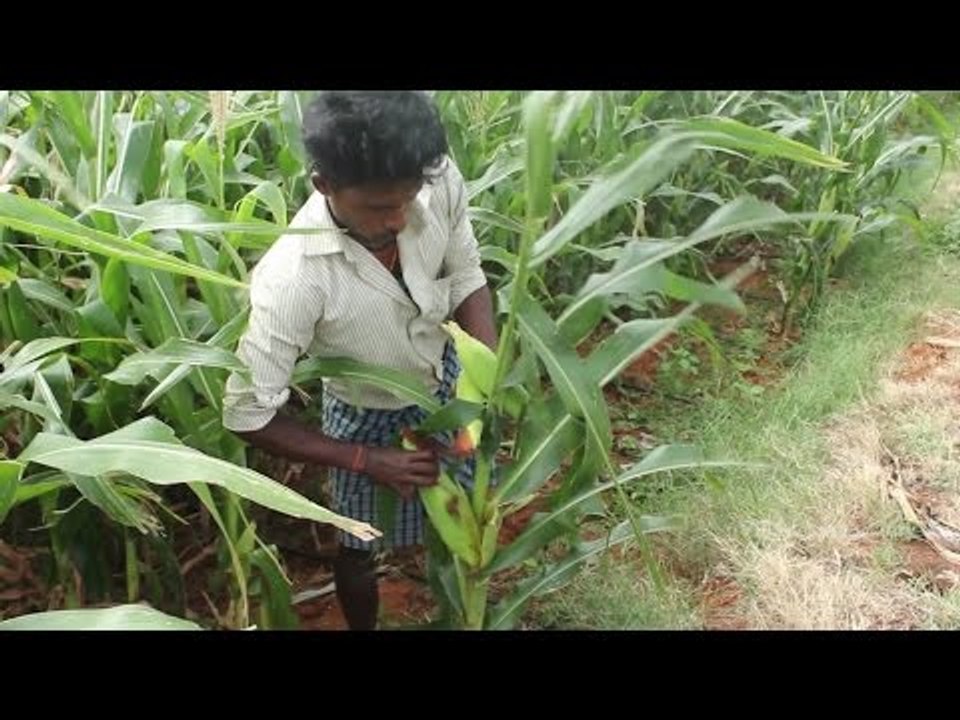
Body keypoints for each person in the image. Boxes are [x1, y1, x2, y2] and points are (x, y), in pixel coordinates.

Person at [222, 91, 497, 630]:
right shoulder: (293, 279)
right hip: (364, 415)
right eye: (377, 207)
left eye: (407, 199)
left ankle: (461, 611)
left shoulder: (438, 180)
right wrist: (367, 460)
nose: (398, 219)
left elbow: (467, 275)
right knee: (358, 542)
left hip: (450, 384)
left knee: (465, 514)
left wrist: (482, 386)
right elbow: (246, 413)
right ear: (323, 184)